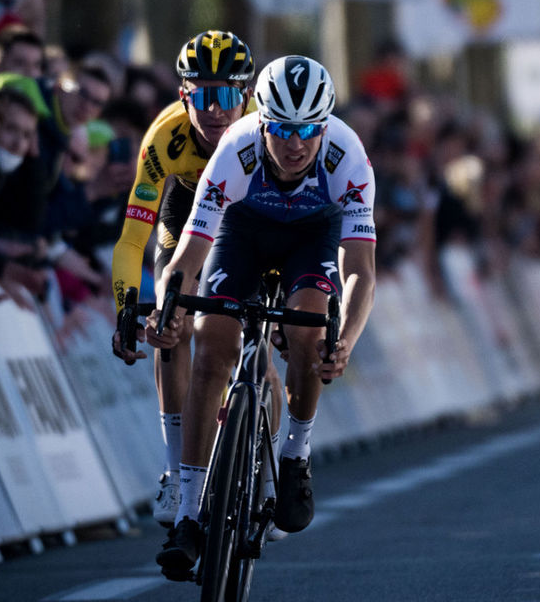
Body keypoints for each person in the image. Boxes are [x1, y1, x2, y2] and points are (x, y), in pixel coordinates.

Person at [153, 56, 377, 580]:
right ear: (261, 120)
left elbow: (362, 271)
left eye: (307, 131)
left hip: (312, 236)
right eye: (281, 129)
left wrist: (343, 341)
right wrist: (170, 307)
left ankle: (294, 456)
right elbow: (187, 253)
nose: (294, 144)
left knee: (308, 329)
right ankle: (187, 513)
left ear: (324, 127)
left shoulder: (348, 155)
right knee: (210, 347)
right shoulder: (236, 148)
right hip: (244, 233)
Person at [108, 30, 275, 527]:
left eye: (228, 95)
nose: (216, 109)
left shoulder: (264, 130)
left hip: (251, 218)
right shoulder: (165, 138)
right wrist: (124, 307)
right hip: (185, 216)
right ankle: (175, 471)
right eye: (203, 95)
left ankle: (267, 482)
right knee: (169, 320)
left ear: (246, 97)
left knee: (258, 348)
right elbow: (132, 240)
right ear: (185, 95)